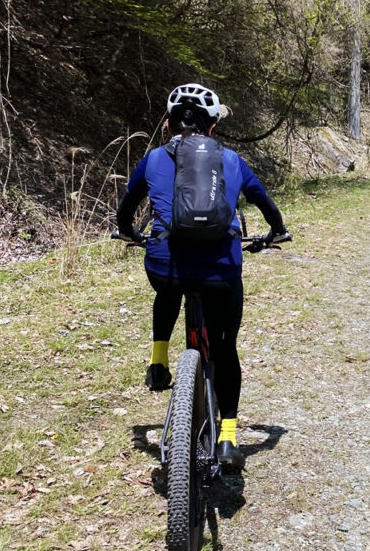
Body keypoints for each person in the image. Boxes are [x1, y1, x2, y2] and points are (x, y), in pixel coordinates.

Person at [116, 83, 290, 471]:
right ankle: (228, 438)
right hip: (220, 272)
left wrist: (128, 232)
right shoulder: (231, 160)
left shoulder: (153, 159)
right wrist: (276, 231)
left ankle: (159, 360)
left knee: (168, 288)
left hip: (166, 267)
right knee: (225, 348)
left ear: (168, 125)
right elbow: (264, 202)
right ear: (213, 127)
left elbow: (126, 208)